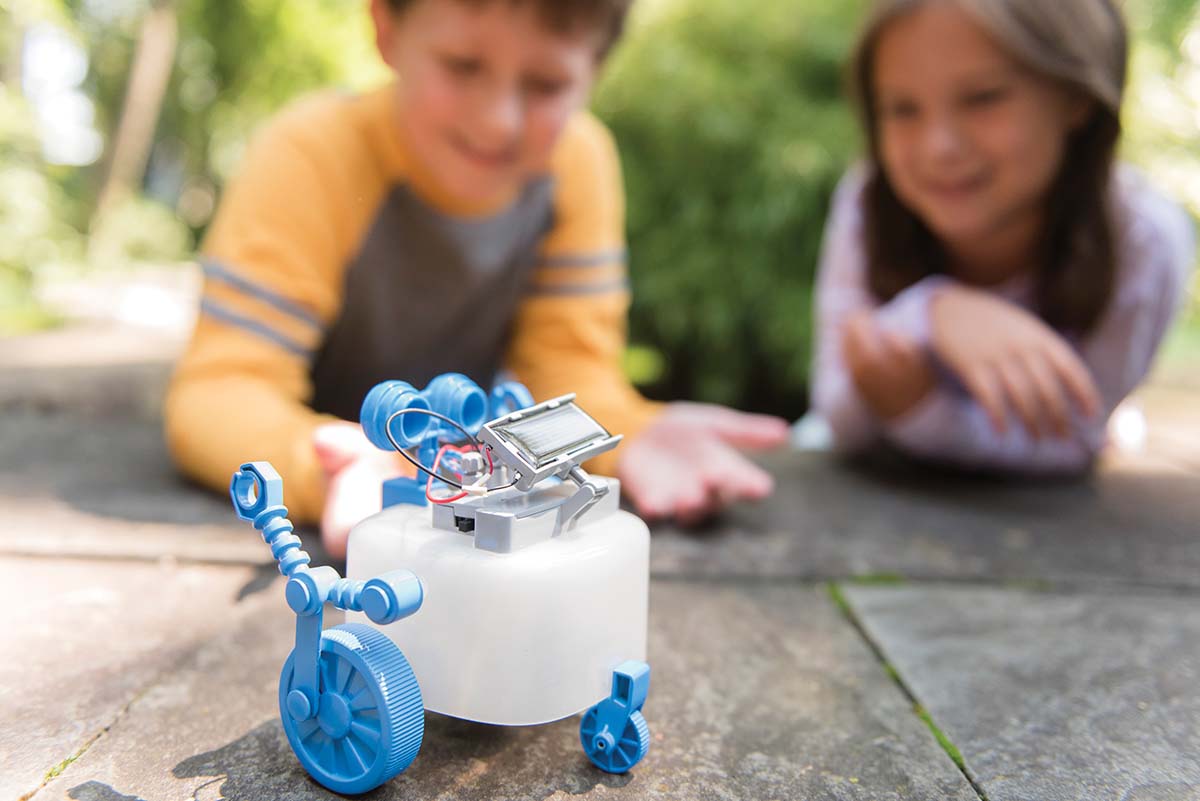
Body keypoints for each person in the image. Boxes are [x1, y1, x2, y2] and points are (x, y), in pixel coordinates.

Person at [165, 0, 789, 556]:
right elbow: (222, 389)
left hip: (450, 473)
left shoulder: (578, 162)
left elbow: (568, 370)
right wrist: (323, 465)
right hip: (352, 458)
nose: (497, 121)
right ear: (386, 28)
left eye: (546, 84)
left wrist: (630, 436)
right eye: (463, 65)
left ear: (594, 73)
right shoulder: (310, 154)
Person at [810, 0, 1194, 471]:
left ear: (1075, 97)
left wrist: (925, 411)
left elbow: (1072, 442)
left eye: (983, 98)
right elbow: (838, 413)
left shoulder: (1145, 239)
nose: (940, 147)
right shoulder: (867, 199)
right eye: (902, 109)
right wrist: (930, 313)